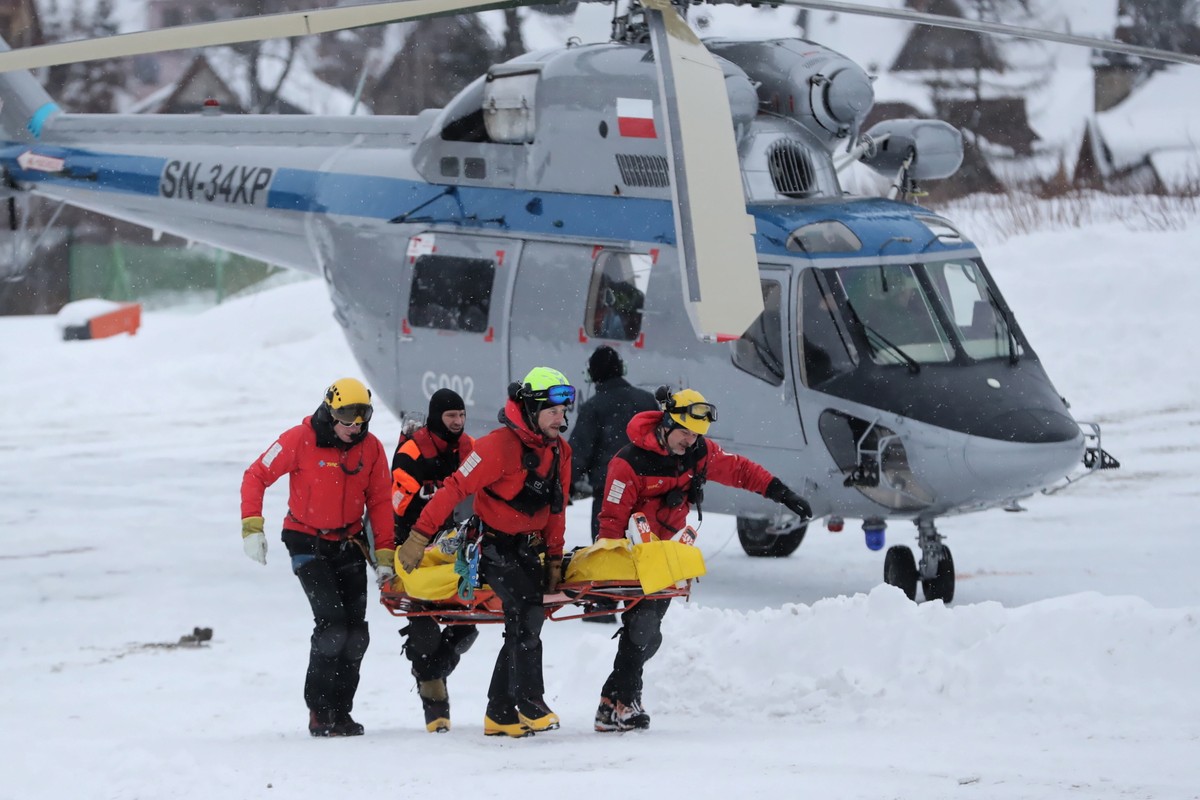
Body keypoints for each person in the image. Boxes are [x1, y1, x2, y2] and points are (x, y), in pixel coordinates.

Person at [593, 387, 812, 732]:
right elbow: (610, 518)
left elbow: (740, 470)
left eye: (696, 434)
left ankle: (610, 704)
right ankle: (626, 704)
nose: (690, 440)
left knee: (649, 637)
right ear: (666, 424)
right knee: (642, 630)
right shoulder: (628, 462)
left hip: (670, 557)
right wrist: (606, 568)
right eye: (684, 432)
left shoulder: (698, 453)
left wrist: (781, 492)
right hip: (634, 557)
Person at [398, 367, 574, 738]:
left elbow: (557, 508)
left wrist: (555, 558)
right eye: (554, 410)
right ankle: (529, 700)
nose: (563, 418)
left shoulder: (561, 452)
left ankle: (499, 713)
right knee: (526, 611)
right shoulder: (496, 447)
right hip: (491, 546)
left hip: (529, 548)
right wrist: (418, 536)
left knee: (524, 623)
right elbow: (452, 489)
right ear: (531, 409)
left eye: (564, 409)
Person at [240, 378, 395, 738]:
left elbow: (381, 502)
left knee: (356, 635)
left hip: (349, 543)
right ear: (330, 410)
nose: (354, 427)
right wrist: (252, 527)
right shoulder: (299, 439)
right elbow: (256, 475)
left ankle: (341, 712)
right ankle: (319, 710)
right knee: (332, 628)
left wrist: (384, 553)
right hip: (306, 543)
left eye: (362, 418)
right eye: (346, 418)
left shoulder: (370, 448)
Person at [390, 388, 479, 733]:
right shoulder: (412, 451)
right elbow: (398, 506)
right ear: (435, 417)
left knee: (466, 626)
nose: (457, 423)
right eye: (450, 417)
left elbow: (484, 481)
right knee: (424, 633)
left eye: (461, 416)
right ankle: (435, 708)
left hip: (452, 544)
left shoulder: (468, 448)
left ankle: (430, 671)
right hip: (411, 546)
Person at [569, 346, 658, 542]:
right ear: (620, 369)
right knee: (647, 559)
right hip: (649, 497)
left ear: (593, 374)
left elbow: (578, 454)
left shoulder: (593, 407)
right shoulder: (647, 400)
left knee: (608, 559)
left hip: (609, 497)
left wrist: (565, 485)